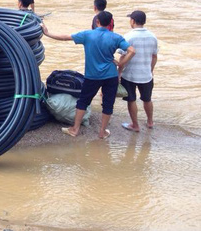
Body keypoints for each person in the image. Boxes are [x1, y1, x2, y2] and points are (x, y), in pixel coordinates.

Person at [41, 11, 136, 139]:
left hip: (92, 76)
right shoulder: (116, 37)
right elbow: (132, 51)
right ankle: (102, 132)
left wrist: (47, 33)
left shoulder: (87, 35)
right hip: (110, 75)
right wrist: (120, 63)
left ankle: (75, 129)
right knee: (108, 104)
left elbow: (65, 37)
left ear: (97, 22)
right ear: (109, 23)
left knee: (83, 101)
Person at [119, 10, 159, 132]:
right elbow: (154, 56)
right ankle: (150, 122)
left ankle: (135, 125)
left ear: (133, 21)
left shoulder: (128, 36)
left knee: (131, 100)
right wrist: (150, 70)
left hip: (130, 75)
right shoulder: (153, 37)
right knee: (147, 99)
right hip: (146, 75)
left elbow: (122, 57)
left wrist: (118, 73)